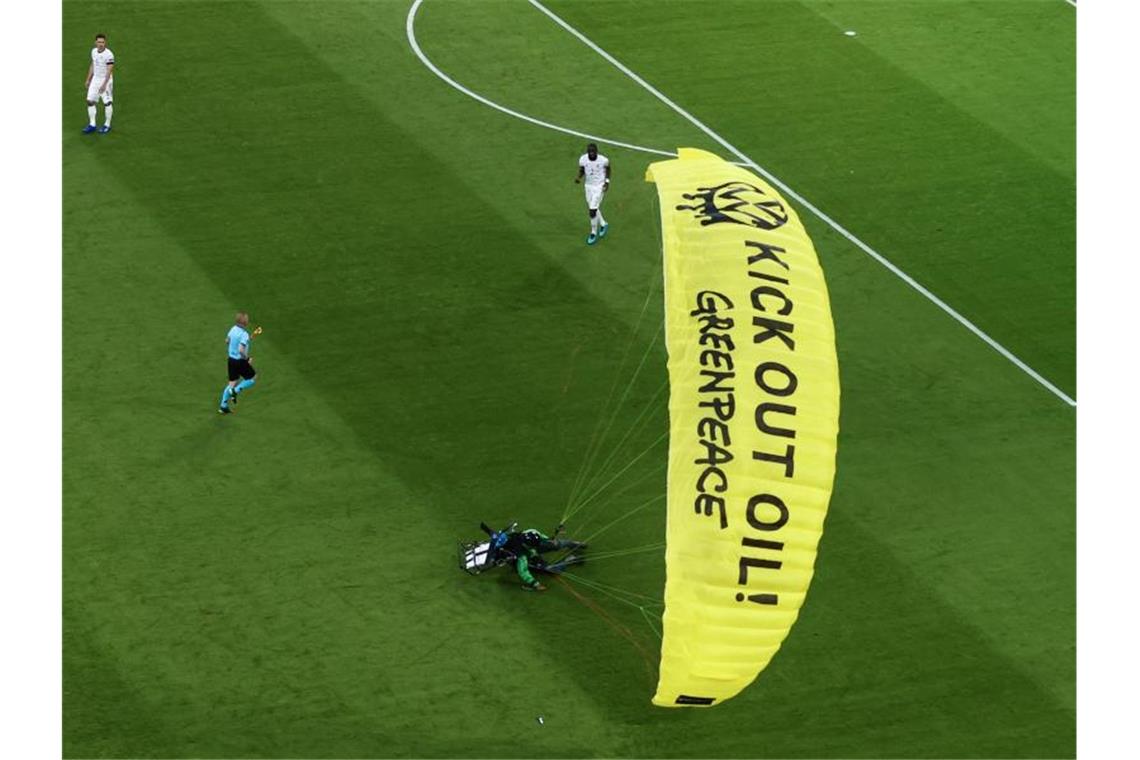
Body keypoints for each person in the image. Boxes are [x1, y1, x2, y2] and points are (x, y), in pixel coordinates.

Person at [486, 523, 587, 591]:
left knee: (553, 548)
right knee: (550, 565)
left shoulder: (530, 534)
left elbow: (523, 570)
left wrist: (535, 584)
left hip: (532, 550)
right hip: (530, 553)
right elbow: (523, 570)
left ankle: (571, 550)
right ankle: (570, 557)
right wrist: (535, 584)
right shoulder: (521, 553)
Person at [219, 312, 258, 414]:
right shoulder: (244, 334)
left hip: (231, 360)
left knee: (232, 383)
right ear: (245, 322)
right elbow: (241, 350)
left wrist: (239, 342)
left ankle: (223, 406)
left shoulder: (233, 329)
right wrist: (247, 358)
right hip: (240, 361)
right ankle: (235, 391)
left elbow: (227, 340)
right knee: (252, 377)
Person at [574, 143, 611, 245]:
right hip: (588, 186)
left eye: (593, 152)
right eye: (590, 152)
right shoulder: (583, 159)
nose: (591, 153)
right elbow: (582, 170)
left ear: (596, 152)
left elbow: (608, 169)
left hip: (599, 186)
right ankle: (603, 224)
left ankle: (593, 232)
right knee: (592, 207)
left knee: (592, 211)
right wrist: (578, 177)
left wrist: (607, 182)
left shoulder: (604, 160)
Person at [84, 34, 115, 134]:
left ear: (105, 43)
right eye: (99, 42)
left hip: (105, 80)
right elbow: (93, 65)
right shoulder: (93, 51)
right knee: (90, 101)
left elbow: (109, 70)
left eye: (102, 42)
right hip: (95, 79)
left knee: (107, 102)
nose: (101, 44)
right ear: (95, 42)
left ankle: (107, 125)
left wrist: (104, 84)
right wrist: (88, 79)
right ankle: (92, 124)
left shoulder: (109, 55)